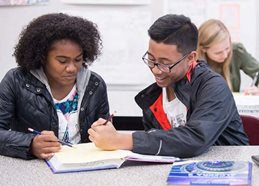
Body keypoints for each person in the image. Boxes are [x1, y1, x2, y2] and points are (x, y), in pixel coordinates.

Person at [88, 14, 248, 158]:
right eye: (151, 60)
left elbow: (195, 139)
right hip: (180, 174)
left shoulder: (213, 87)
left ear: (191, 57)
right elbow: (163, 147)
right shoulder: (154, 97)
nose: (156, 70)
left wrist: (120, 139)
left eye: (165, 64)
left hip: (228, 170)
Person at [0, 13, 109, 160]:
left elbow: (103, 135)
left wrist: (107, 134)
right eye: (62, 61)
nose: (71, 68)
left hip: (83, 169)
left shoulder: (94, 84)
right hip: (34, 171)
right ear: (42, 57)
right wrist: (30, 144)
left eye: (78, 60)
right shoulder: (16, 81)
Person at [197, 19, 259, 93]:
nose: (225, 55)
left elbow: (257, 71)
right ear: (203, 49)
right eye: (218, 53)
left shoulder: (236, 50)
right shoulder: (193, 62)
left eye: (227, 48)